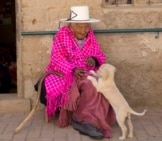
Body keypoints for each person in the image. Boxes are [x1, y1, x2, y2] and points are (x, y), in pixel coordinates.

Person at [37, 6, 115, 139]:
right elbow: (56, 58)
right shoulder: (62, 35)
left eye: (86, 27)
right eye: (79, 27)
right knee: (89, 83)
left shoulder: (90, 36)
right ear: (71, 26)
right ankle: (83, 120)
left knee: (100, 82)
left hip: (85, 71)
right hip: (63, 72)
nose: (83, 30)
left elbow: (99, 54)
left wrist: (93, 60)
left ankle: (93, 118)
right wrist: (72, 69)